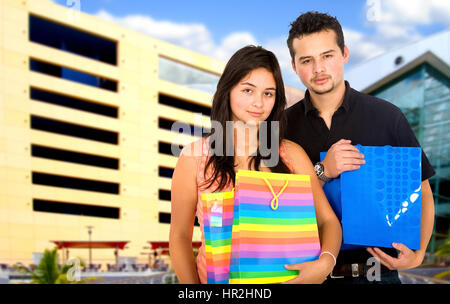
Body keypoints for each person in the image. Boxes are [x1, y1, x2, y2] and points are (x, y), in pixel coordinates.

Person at [284, 11, 435, 284]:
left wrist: (419, 253)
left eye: (327, 56)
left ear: (345, 54)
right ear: (294, 66)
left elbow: (422, 191)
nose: (319, 68)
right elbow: (272, 201)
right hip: (302, 275)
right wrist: (322, 171)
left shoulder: (388, 117)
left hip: (377, 276)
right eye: (307, 60)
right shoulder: (280, 128)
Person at [170, 45, 342, 284]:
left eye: (268, 93)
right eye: (248, 90)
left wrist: (325, 263)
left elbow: (328, 221)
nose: (259, 103)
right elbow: (179, 237)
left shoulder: (292, 155)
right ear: (227, 90)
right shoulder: (194, 157)